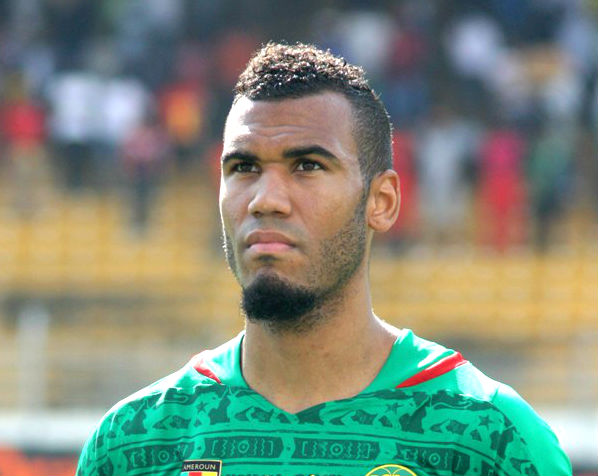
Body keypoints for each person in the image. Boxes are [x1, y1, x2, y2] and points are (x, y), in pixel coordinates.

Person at [76, 42, 571, 476]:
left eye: (308, 165)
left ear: (382, 202)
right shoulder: (134, 444)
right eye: (243, 167)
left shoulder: (491, 439)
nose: (266, 199)